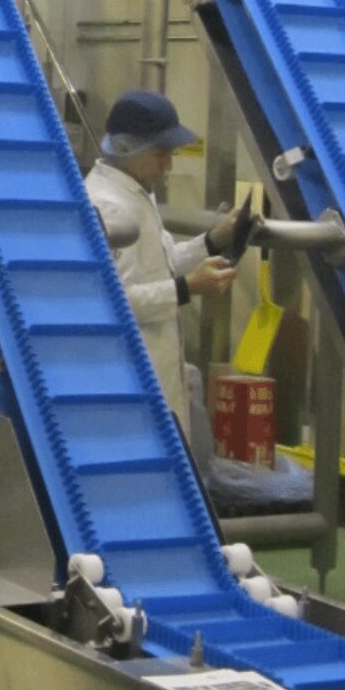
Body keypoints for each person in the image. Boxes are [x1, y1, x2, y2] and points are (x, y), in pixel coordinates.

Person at [85, 90, 241, 442]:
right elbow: (114, 301)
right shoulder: (107, 206)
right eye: (161, 154)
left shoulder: (136, 193)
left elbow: (164, 261)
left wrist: (214, 240)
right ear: (126, 148)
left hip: (156, 365)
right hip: (130, 371)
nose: (168, 165)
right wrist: (188, 288)